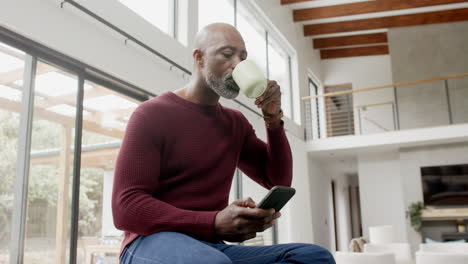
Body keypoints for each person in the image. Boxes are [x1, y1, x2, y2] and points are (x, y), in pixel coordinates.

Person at [112, 23, 335, 264]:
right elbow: (126, 207)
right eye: (227, 54)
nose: (237, 64)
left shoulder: (235, 123)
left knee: (314, 257)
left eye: (243, 58)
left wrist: (273, 118)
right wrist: (215, 221)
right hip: (149, 241)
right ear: (199, 58)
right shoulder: (151, 114)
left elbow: (278, 180)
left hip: (211, 246)